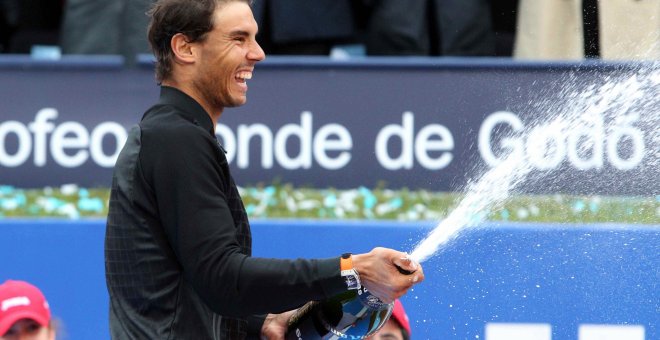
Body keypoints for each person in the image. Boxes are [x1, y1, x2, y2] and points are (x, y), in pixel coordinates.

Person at [104, 0, 424, 339]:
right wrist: (352, 268)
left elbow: (191, 285)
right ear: (185, 48)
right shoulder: (176, 138)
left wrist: (261, 322)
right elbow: (224, 279)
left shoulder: (172, 135)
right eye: (239, 38)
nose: (258, 53)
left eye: (254, 38)